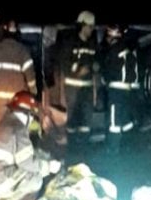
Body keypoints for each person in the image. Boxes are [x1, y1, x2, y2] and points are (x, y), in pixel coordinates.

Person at [0, 12, 37, 127]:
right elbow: (30, 75)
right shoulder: (23, 50)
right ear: (17, 33)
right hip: (16, 97)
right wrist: (33, 92)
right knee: (15, 127)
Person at [56, 10, 98, 144]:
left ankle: (84, 152)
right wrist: (78, 72)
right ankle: (72, 152)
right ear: (83, 25)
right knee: (72, 125)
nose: (92, 30)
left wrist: (94, 93)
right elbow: (64, 68)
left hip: (86, 93)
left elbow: (94, 71)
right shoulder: (70, 44)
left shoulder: (92, 45)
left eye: (93, 27)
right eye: (90, 26)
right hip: (72, 92)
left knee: (85, 125)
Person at [100, 24, 139, 153]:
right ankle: (129, 146)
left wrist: (104, 79)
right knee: (125, 119)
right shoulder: (129, 50)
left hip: (115, 90)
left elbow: (107, 70)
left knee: (114, 121)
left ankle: (113, 149)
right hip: (127, 91)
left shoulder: (114, 50)